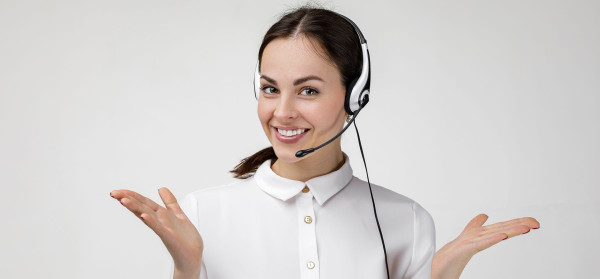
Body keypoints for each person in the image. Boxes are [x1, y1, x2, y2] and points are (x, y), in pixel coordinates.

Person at [110, 6, 540, 279]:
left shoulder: (405, 219)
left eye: (309, 90)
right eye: (270, 88)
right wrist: (186, 271)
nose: (282, 112)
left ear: (356, 97)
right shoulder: (201, 214)